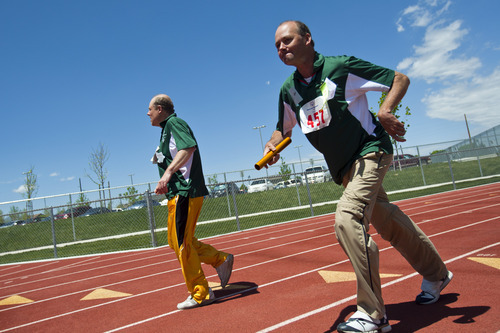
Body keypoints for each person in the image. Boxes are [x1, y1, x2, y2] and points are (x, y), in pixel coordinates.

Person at [264, 21, 453, 332]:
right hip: (343, 171)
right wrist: (273, 143)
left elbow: (398, 79)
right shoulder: (289, 89)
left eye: (287, 40)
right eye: (277, 46)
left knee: (346, 219)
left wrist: (385, 110)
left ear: (308, 39)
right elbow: (283, 128)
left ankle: (373, 314)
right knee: (387, 220)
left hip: (370, 152)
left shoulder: (340, 67)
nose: (281, 48)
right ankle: (436, 273)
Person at [147, 94, 234, 310]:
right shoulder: (165, 132)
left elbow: (189, 148)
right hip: (176, 194)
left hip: (185, 192)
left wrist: (167, 173)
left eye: (149, 109)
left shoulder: (175, 123)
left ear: (160, 109)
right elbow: (176, 152)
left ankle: (201, 292)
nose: (147, 114)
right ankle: (219, 259)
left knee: (182, 243)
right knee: (176, 241)